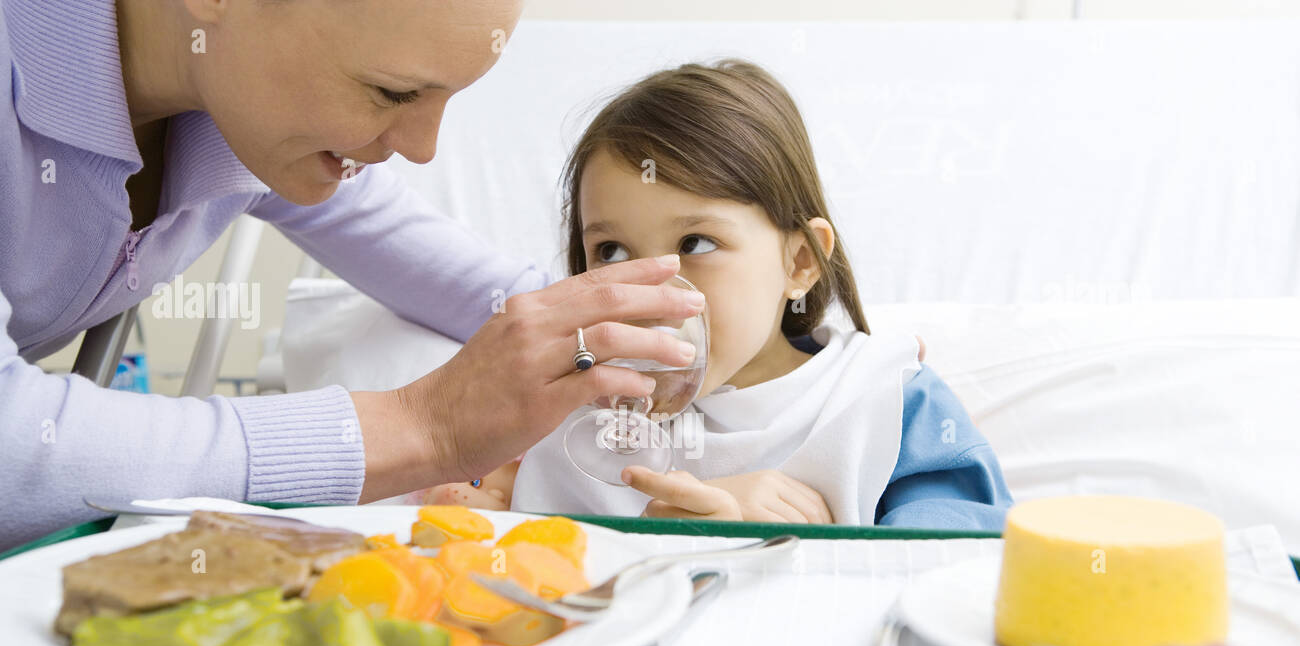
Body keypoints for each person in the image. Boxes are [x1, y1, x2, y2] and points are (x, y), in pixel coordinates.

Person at [0, 0, 698, 552]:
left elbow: (462, 279)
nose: (423, 150)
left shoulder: (245, 110)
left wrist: (641, 341)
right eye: (393, 92)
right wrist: (425, 426)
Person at [427, 60, 1013, 529]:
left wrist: (776, 538)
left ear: (800, 261)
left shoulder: (885, 397)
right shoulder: (574, 402)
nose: (653, 284)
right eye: (612, 252)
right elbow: (529, 538)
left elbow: (961, 552)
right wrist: (487, 500)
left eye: (697, 242)